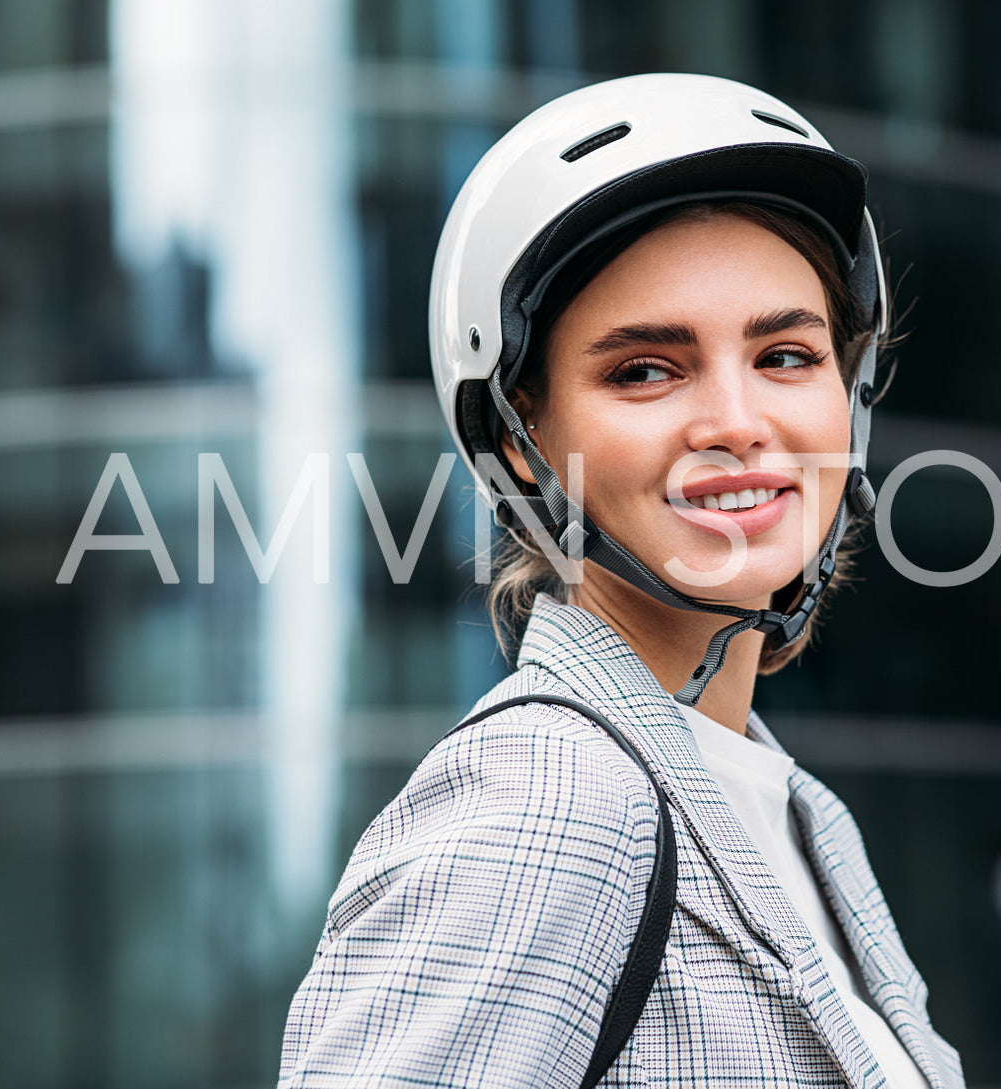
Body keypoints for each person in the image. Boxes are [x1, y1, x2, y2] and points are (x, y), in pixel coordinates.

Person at [278, 73, 965, 1089]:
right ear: (519, 443)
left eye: (784, 354)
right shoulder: (544, 801)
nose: (737, 420)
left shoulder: (798, 816)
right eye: (645, 369)